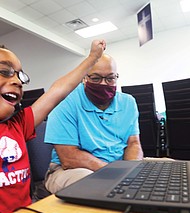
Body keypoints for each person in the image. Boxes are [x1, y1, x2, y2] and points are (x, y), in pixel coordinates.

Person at [0, 39, 106, 213]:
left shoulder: (18, 125)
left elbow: (58, 91)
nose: (18, 81)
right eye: (5, 71)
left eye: (20, 76)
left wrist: (93, 58)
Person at [44, 53, 144, 194]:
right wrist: (115, 173)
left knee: (173, 170)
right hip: (73, 170)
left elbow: (133, 143)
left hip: (119, 165)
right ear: (84, 77)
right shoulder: (65, 101)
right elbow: (68, 157)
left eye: (110, 78)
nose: (103, 84)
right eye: (96, 78)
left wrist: (131, 170)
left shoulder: (128, 102)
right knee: (97, 186)